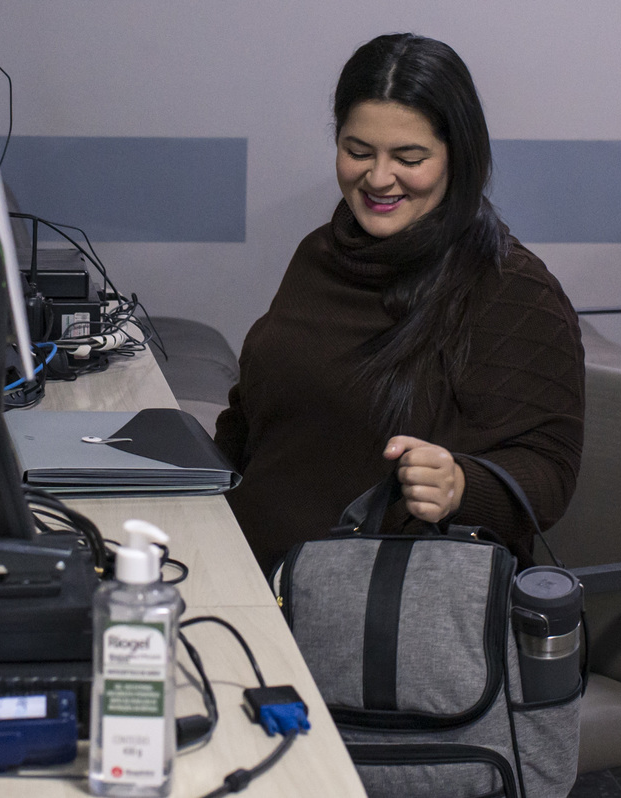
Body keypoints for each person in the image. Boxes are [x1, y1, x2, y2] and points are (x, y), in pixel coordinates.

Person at [214, 33, 585, 574]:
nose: (378, 177)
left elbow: (549, 473)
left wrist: (460, 484)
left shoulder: (510, 290)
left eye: (409, 158)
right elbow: (255, 414)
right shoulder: (322, 252)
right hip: (246, 571)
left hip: (376, 609)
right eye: (357, 151)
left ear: (458, 157)